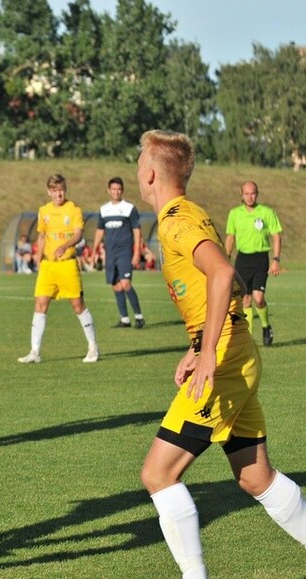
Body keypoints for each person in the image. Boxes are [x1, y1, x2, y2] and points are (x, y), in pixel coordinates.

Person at [135, 130, 306, 578]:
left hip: (226, 358)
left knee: (158, 474)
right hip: (235, 349)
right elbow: (234, 285)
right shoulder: (194, 213)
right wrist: (197, 346)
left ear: (150, 173)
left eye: (139, 162)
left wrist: (208, 351)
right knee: (255, 477)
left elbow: (224, 271)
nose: (138, 169)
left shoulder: (175, 220)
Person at [18, 174, 99, 364]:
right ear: (49, 192)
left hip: (67, 265)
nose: (58, 194)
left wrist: (65, 245)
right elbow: (41, 236)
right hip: (48, 266)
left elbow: (78, 234)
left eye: (61, 190)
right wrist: (38, 260)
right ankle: (35, 352)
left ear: (65, 189)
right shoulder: (43, 211)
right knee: (40, 304)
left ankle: (93, 347)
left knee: (77, 305)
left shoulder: (74, 210)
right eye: (54, 191)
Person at [223, 181, 283, 346]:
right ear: (241, 195)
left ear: (257, 194)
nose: (250, 196)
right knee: (246, 300)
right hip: (242, 260)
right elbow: (230, 237)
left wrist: (276, 260)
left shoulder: (266, 212)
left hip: (260, 258)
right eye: (246, 193)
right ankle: (248, 338)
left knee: (258, 297)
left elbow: (276, 236)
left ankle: (266, 326)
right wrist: (225, 258)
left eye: (253, 193)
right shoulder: (234, 214)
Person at [91, 177, 146, 329]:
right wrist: (95, 250)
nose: (116, 192)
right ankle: (125, 319)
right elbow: (100, 231)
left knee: (126, 283)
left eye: (119, 189)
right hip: (110, 254)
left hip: (125, 252)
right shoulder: (104, 210)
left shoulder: (129, 208)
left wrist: (137, 252)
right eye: (113, 189)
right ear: (109, 190)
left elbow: (137, 230)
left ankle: (139, 317)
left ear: (122, 190)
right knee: (116, 285)